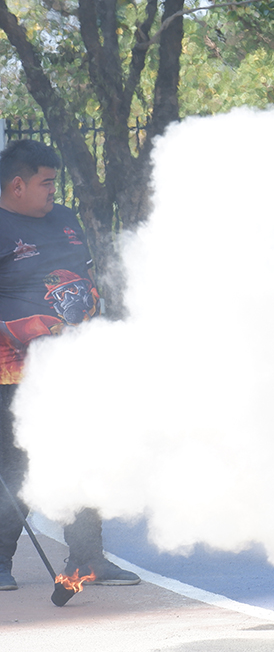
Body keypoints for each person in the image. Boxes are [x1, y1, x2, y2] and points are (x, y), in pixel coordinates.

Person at [0, 139, 139, 590]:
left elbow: (86, 272)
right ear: (17, 185)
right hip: (14, 374)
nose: (53, 192)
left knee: (82, 458)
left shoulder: (64, 219)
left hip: (72, 367)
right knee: (19, 469)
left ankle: (87, 560)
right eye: (46, 183)